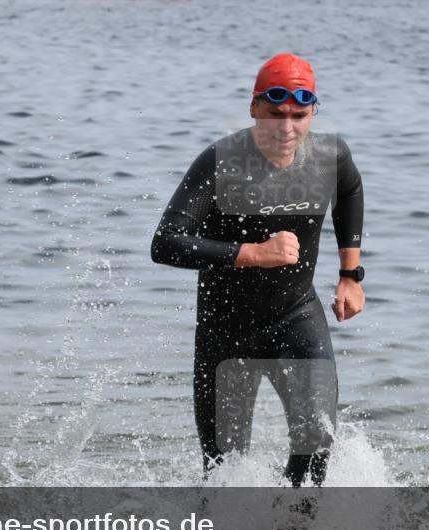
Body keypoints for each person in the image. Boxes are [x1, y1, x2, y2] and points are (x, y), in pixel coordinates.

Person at [151, 53, 365, 487]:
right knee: (225, 473)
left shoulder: (330, 156)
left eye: (298, 116)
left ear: (312, 113)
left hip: (295, 316)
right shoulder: (220, 162)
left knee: (318, 443)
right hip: (226, 331)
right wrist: (251, 253)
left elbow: (351, 191)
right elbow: (166, 243)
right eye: (274, 114)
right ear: (254, 108)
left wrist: (350, 274)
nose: (286, 129)